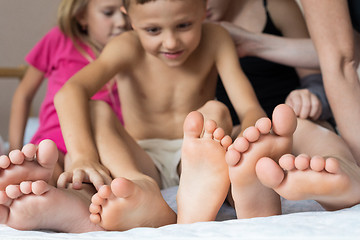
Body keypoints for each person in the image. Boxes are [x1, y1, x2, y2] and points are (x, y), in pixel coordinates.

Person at [54, 0, 273, 229]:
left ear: (203, 9)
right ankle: (139, 186)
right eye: (153, 30)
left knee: (216, 110)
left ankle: (213, 189)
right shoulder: (125, 46)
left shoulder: (216, 38)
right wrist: (83, 156)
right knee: (95, 110)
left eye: (184, 25)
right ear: (129, 18)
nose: (170, 42)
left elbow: (249, 109)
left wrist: (244, 154)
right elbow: (70, 92)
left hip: (197, 153)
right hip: (143, 159)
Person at [7, 0, 127, 183]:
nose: (121, 22)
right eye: (108, 13)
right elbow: (24, 95)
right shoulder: (60, 39)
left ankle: (60, 196)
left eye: (125, 11)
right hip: (53, 138)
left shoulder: (134, 52)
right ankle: (32, 188)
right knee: (45, 166)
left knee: (84, 176)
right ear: (82, 16)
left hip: (105, 143)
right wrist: (14, 149)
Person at [207, 0, 333, 130]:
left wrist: (310, 98)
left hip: (294, 119)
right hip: (240, 130)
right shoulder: (193, 34)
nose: (202, 5)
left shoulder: (277, 7)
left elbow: (317, 76)